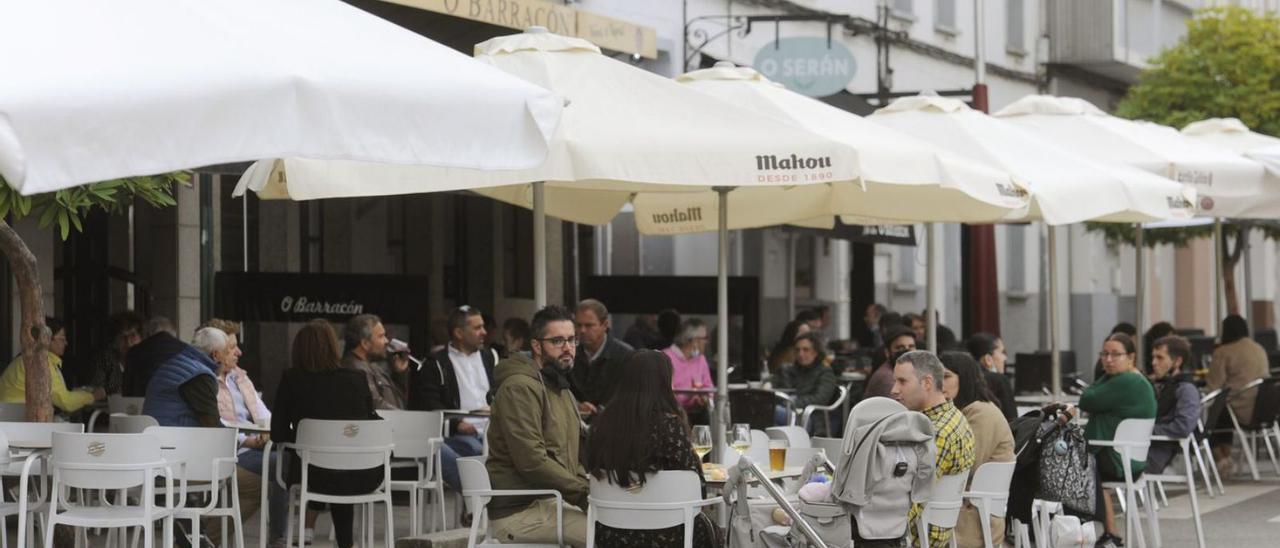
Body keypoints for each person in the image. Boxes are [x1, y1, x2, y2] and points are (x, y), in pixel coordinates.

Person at [585, 350, 719, 547]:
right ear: (665, 383)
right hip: (671, 535)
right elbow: (696, 489)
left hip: (610, 534)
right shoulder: (671, 426)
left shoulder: (600, 425)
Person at [272, 320, 381, 548]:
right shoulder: (356, 379)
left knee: (327, 464)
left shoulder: (292, 379)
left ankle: (305, 534)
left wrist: (307, 440)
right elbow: (367, 425)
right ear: (334, 346)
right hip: (364, 473)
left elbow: (278, 433)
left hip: (311, 474)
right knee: (340, 462)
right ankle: (345, 544)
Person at [486, 306, 589, 547]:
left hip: (552, 501)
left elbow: (573, 457)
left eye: (572, 340)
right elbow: (531, 461)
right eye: (557, 341)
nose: (568, 348)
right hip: (520, 511)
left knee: (619, 522)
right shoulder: (519, 388)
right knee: (609, 533)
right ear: (536, 346)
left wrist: (593, 488)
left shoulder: (559, 385)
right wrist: (585, 494)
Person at [1070, 333, 1156, 547]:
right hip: (1129, 458)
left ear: (1131, 357)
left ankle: (1080, 531)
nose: (1108, 360)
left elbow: (1087, 399)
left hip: (1117, 459)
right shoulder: (1133, 379)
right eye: (1104, 354)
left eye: (1115, 354)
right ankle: (1108, 531)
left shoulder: (1127, 381)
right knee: (1080, 464)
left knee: (1068, 467)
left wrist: (1099, 383)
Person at [892, 350, 975, 548]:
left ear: (927, 383)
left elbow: (913, 501)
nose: (894, 389)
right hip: (935, 532)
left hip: (919, 537)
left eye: (902, 382)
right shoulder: (954, 417)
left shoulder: (936, 432)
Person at [413, 305, 496, 490]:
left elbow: (501, 393)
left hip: (493, 432)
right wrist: (457, 423)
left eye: (483, 326)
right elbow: (430, 403)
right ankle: (478, 501)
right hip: (459, 434)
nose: (484, 332)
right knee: (474, 453)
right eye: (477, 328)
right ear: (459, 332)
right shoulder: (436, 363)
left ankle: (478, 503)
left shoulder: (490, 357)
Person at [939, 352, 1013, 548]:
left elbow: (965, 466)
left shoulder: (980, 412)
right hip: (965, 509)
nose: (940, 384)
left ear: (965, 379)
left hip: (972, 518)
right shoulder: (964, 411)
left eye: (946, 376)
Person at [1206, 314, 1271, 477]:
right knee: (1222, 412)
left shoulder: (1224, 352)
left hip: (1240, 408)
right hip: (1264, 409)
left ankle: (1222, 460)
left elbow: (1214, 386)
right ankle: (1226, 460)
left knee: (1212, 415)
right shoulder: (1259, 348)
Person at [0, 317, 104, 413]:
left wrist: (81, 392)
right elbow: (66, 402)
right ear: (47, 340)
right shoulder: (42, 363)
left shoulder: (28, 358)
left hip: (10, 417)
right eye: (62, 339)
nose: (66, 343)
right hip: (15, 419)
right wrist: (93, 396)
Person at [143, 327, 223, 427]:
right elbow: (212, 425)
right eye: (228, 351)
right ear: (216, 355)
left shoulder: (173, 363)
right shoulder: (200, 375)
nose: (238, 353)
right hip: (173, 437)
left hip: (154, 433)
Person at [1146, 335, 1201, 474]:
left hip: (1158, 455)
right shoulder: (1166, 385)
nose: (1153, 363)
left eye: (1160, 358)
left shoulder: (1186, 389)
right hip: (1146, 448)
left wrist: (1144, 431)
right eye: (1153, 357)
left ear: (1177, 362)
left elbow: (1183, 427)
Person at [570, 299, 635, 412]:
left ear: (605, 325)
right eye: (578, 325)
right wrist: (576, 405)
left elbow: (631, 396)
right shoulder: (569, 353)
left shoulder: (625, 355)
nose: (582, 330)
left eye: (589, 325)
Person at [773, 332, 838, 432]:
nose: (800, 354)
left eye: (806, 350)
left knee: (770, 412)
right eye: (797, 350)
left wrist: (791, 403)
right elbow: (775, 386)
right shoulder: (790, 369)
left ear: (815, 352)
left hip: (810, 418)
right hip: (789, 412)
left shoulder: (825, 372)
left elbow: (819, 398)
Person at [342, 314, 409, 410]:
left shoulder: (373, 367)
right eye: (381, 336)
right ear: (365, 343)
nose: (386, 341)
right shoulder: (356, 371)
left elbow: (398, 400)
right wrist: (405, 417)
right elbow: (376, 405)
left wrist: (399, 373)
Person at [663, 318, 714, 421]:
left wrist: (704, 399)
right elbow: (663, 393)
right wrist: (691, 398)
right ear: (694, 340)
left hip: (698, 416)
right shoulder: (665, 357)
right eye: (705, 338)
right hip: (673, 416)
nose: (707, 342)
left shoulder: (701, 359)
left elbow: (709, 387)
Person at [123, 316, 186, 397]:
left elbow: (128, 391)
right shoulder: (186, 351)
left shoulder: (134, 352)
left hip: (144, 405)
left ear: (147, 334)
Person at [89, 311, 145, 395]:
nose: (128, 342)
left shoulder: (148, 360)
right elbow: (96, 390)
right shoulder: (105, 359)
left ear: (141, 338)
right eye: (122, 337)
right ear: (113, 341)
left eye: (133, 335)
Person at [965, 332, 1016, 421]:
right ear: (988, 359)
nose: (1005, 358)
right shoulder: (1000, 380)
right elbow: (1013, 421)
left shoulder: (964, 379)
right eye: (1002, 352)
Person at [864, 326, 917, 399]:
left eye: (911, 347)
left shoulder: (910, 372)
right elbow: (903, 405)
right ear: (887, 352)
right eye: (900, 347)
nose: (907, 351)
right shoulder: (886, 377)